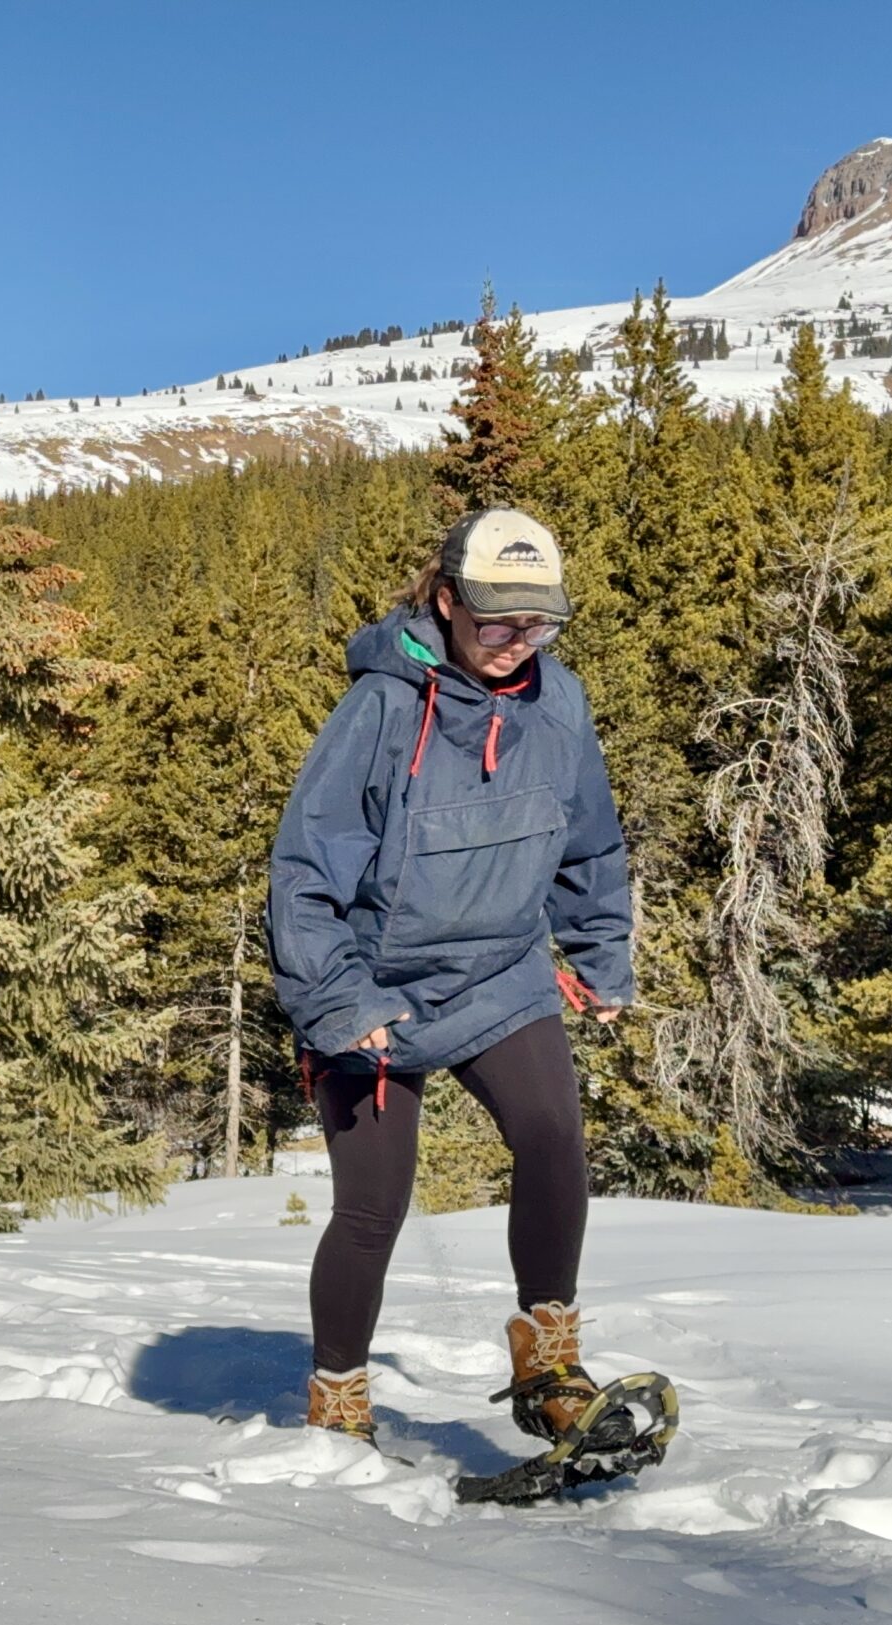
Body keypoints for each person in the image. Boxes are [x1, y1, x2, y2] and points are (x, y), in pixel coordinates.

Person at [266, 507, 635, 1451]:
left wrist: (598, 951)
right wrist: (342, 1002)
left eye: (539, 624)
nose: (520, 645)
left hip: (501, 973)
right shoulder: (383, 710)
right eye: (499, 622)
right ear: (445, 600)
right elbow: (306, 871)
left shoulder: (560, 705)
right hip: (374, 991)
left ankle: (550, 1367)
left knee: (554, 1139)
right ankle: (339, 1398)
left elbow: (589, 840)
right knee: (372, 1206)